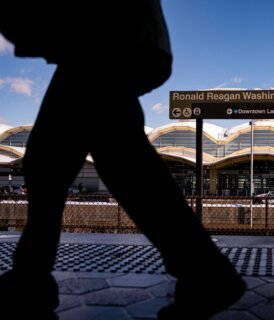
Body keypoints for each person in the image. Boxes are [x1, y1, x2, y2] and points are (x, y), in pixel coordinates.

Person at [0, 1, 245, 319]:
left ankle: (205, 272)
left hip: (101, 33)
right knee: (100, 154)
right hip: (114, 34)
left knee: (72, 158)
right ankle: (204, 271)